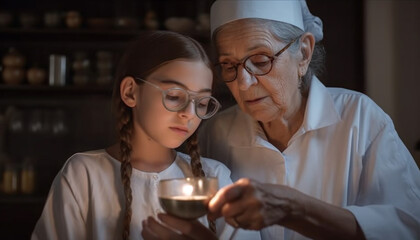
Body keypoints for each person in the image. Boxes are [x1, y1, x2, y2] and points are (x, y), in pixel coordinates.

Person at [195, 0, 420, 240]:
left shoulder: (359, 118)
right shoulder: (216, 133)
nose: (243, 83)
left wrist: (294, 209)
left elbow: (409, 225)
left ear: (303, 53)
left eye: (261, 61)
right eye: (229, 66)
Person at [31, 30, 258, 240]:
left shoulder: (215, 178)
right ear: (130, 92)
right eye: (174, 96)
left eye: (202, 102)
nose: (189, 114)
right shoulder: (84, 175)